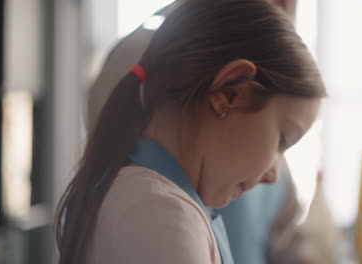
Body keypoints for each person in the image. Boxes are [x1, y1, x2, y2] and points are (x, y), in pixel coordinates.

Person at [55, 0, 326, 263]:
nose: (273, 176)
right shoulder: (160, 215)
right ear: (230, 94)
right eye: (282, 139)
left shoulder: (154, 201)